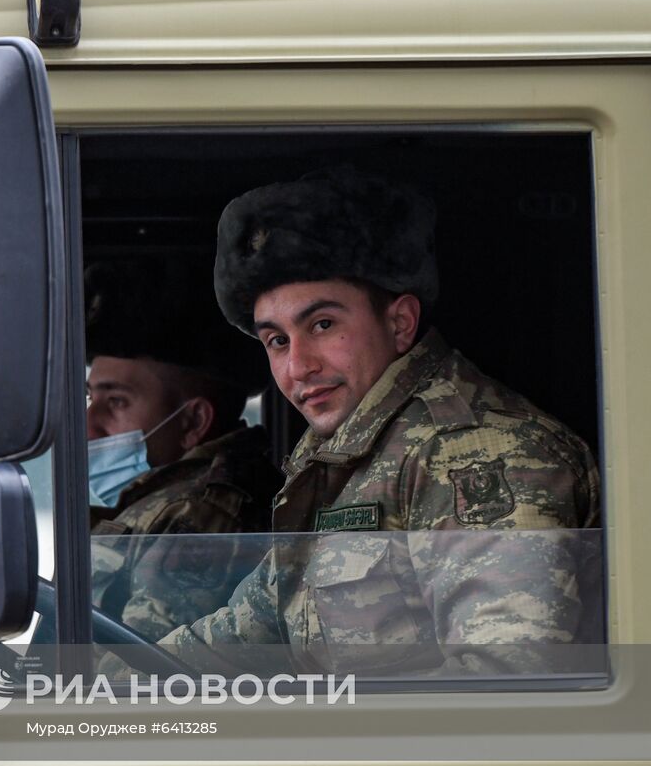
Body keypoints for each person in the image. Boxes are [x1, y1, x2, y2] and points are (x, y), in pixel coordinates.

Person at [147, 167, 601, 676]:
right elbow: (242, 634)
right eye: (277, 340)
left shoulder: (474, 452)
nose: (299, 366)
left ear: (400, 322)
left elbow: (503, 686)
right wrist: (87, 678)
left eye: (323, 325)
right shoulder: (349, 458)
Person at [84, 263, 281, 639]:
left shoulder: (203, 512)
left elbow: (143, 678)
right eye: (92, 398)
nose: (89, 424)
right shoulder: (158, 498)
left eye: (117, 402)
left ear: (193, 423)